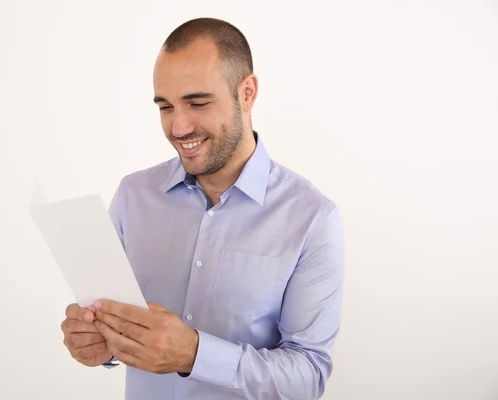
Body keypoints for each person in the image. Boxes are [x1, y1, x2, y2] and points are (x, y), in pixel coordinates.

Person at [60, 17, 345, 400]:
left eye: (197, 103)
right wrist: (100, 344)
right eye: (165, 106)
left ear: (247, 93)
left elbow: (309, 376)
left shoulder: (312, 219)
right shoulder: (133, 196)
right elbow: (112, 319)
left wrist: (194, 353)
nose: (178, 128)